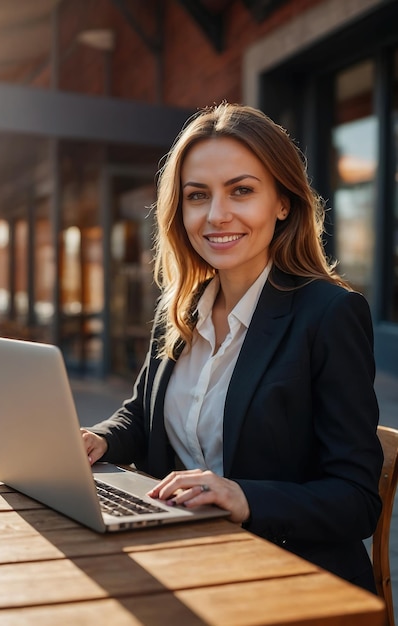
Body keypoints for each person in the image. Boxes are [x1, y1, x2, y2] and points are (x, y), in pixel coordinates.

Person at [81, 102, 383, 593]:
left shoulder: (329, 315)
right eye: (198, 195)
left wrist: (243, 497)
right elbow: (142, 416)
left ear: (282, 202)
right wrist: (99, 438)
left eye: (241, 191)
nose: (217, 215)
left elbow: (356, 501)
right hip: (189, 565)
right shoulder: (180, 309)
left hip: (292, 580)